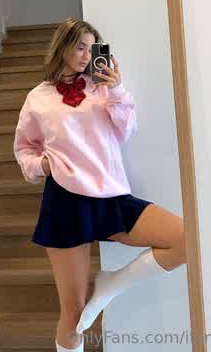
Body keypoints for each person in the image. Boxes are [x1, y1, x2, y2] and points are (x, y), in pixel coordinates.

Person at [13, 18, 186, 352]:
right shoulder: (38, 98)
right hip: (64, 200)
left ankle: (111, 285)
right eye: (80, 46)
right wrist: (42, 165)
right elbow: (24, 149)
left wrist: (117, 89)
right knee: (74, 310)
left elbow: (125, 130)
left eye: (92, 49)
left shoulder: (103, 88)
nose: (85, 54)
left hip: (110, 194)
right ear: (62, 46)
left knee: (186, 239)